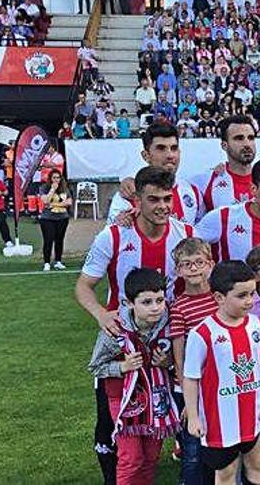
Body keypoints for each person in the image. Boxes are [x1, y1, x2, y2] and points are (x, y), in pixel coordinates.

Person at [76, 166, 194, 485]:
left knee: (155, 433)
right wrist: (102, 314)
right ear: (136, 201)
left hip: (162, 352)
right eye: (153, 199)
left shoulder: (183, 234)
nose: (162, 206)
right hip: (120, 348)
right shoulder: (114, 235)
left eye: (167, 199)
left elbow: (193, 284)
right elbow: (83, 286)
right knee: (111, 428)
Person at [183, 260, 260, 485]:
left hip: (256, 415)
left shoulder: (258, 326)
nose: (249, 301)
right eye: (242, 295)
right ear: (219, 297)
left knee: (258, 465)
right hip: (219, 420)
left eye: (252, 294)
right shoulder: (203, 333)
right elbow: (191, 378)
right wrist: (194, 417)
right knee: (226, 473)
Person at [87, 268, 179, 485]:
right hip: (123, 398)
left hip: (157, 398)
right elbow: (96, 367)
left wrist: (168, 363)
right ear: (129, 303)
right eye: (146, 302)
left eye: (159, 300)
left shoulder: (170, 322)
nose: (156, 307)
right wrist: (122, 366)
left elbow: (180, 359)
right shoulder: (115, 328)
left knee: (150, 456)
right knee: (131, 458)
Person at [168, 237, 217, 484]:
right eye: (187, 264)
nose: (194, 268)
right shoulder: (178, 307)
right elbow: (179, 355)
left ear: (211, 264)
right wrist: (188, 397)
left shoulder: (219, 299)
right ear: (178, 270)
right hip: (190, 386)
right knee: (193, 450)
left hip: (217, 384)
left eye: (199, 262)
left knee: (216, 444)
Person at [109, 122, 203, 226]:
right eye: (161, 148)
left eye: (174, 148)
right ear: (146, 156)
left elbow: (200, 235)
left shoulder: (193, 192)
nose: (170, 155)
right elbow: (113, 238)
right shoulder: (128, 194)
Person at [39, 169, 72, 271]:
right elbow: (45, 201)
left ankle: (58, 261)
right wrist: (52, 190)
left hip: (62, 218)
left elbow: (69, 202)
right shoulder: (44, 188)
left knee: (59, 240)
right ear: (50, 178)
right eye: (54, 177)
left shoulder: (65, 189)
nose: (56, 180)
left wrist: (52, 204)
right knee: (48, 240)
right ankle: (47, 262)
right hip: (47, 218)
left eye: (58, 177)